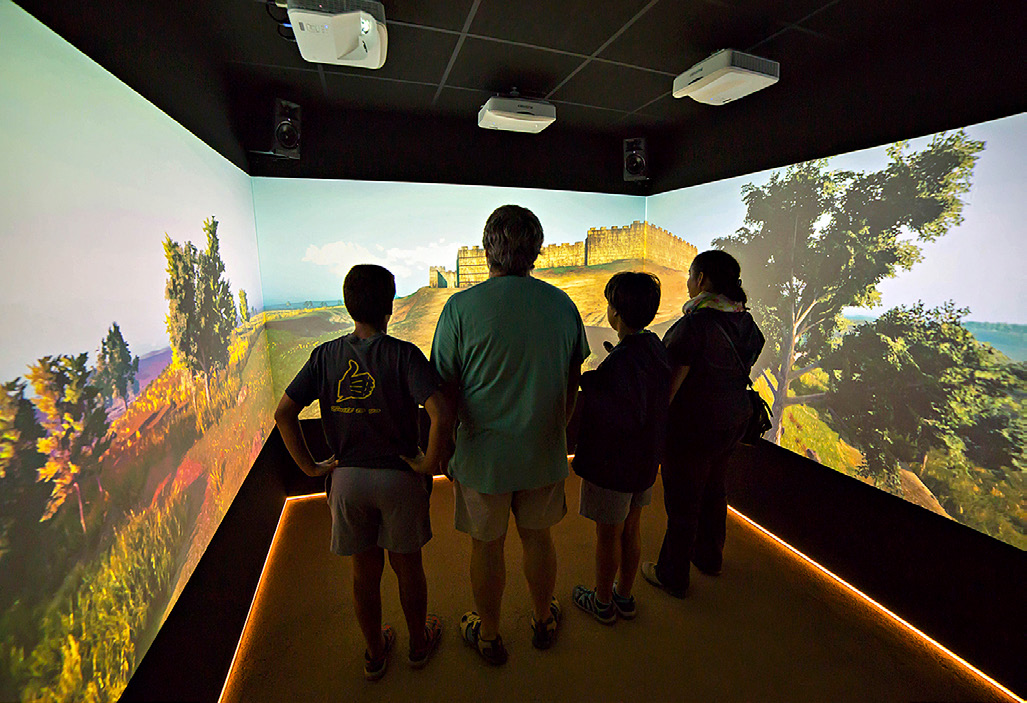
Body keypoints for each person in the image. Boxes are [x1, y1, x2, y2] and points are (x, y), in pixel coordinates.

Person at [274, 264, 452, 681]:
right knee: (408, 567)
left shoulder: (324, 356)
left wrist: (310, 467)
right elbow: (440, 412)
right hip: (399, 478)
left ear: (348, 304)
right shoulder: (404, 354)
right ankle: (418, 645)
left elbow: (284, 413)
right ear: (390, 305)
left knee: (363, 572)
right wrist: (429, 463)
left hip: (347, 479)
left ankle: (375, 652)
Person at [431, 204, 590, 665]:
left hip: (482, 456)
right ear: (536, 252)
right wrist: (557, 428)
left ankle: (490, 635)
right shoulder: (562, 305)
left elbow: (444, 386)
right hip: (543, 449)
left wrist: (441, 448)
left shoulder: (460, 307)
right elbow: (572, 378)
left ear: (487, 252)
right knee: (539, 538)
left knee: (487, 545)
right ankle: (543, 619)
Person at [641, 250, 765, 597]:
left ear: (702, 280)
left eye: (690, 275)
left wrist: (652, 428)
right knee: (714, 490)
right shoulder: (746, 323)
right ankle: (710, 557)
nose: (687, 282)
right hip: (731, 422)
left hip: (692, 429)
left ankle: (672, 574)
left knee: (683, 501)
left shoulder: (695, 326)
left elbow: (669, 387)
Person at [570, 272, 670, 624]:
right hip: (644, 463)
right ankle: (624, 596)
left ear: (615, 312)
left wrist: (591, 382)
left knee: (607, 535)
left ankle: (601, 602)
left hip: (614, 466)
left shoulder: (620, 363)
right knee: (633, 528)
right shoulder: (656, 348)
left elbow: (614, 415)